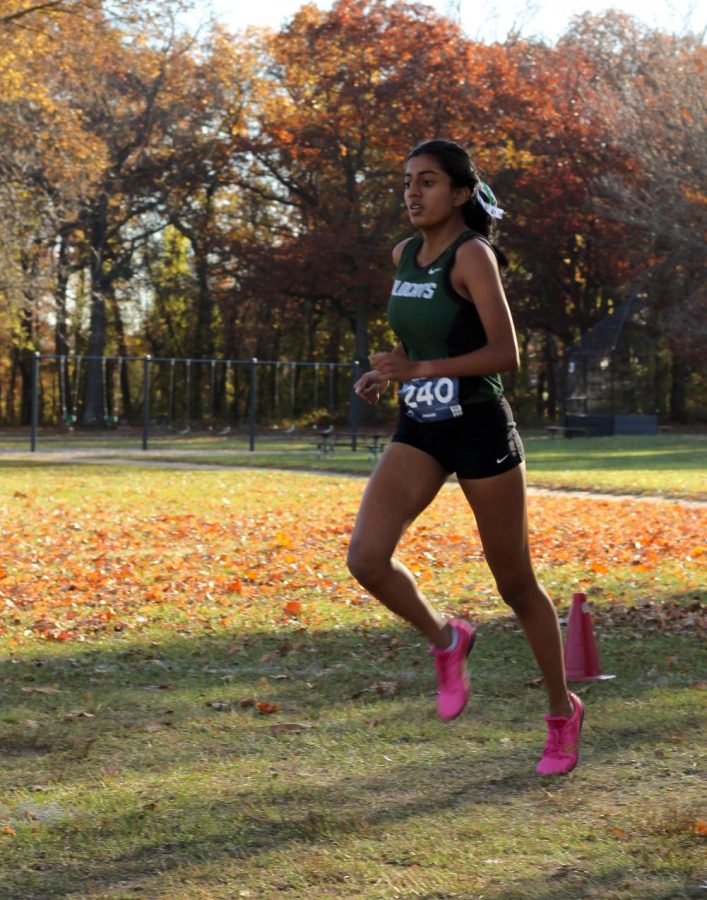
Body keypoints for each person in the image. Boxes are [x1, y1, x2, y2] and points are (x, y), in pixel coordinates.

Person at [347, 139, 584, 776]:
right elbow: (421, 341)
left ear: (457, 194)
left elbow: (506, 355)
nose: (412, 192)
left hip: (480, 427)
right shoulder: (402, 255)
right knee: (366, 559)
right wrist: (392, 375)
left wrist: (418, 366)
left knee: (516, 585)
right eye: (406, 182)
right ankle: (447, 640)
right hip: (421, 423)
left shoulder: (472, 255)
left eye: (427, 182)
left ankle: (563, 715)